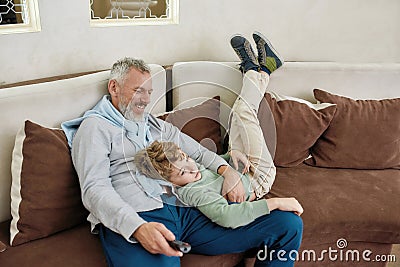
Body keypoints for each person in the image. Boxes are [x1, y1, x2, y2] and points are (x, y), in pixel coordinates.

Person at [61, 31, 303, 267]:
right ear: (114, 88)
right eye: (138, 91)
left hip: (190, 209)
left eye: (149, 92)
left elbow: (197, 152)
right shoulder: (95, 128)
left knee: (287, 224)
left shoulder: (154, 125)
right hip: (141, 214)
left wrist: (226, 171)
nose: (145, 100)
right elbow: (95, 189)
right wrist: (136, 227)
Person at [134, 140, 303, 229]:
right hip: (258, 181)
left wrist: (230, 155)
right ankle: (256, 76)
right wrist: (276, 202)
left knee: (239, 116)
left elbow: (212, 163)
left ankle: (254, 77)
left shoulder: (194, 171)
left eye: (186, 158)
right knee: (245, 112)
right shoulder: (194, 192)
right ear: (170, 183)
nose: (192, 168)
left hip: (244, 165)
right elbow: (228, 216)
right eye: (183, 172)